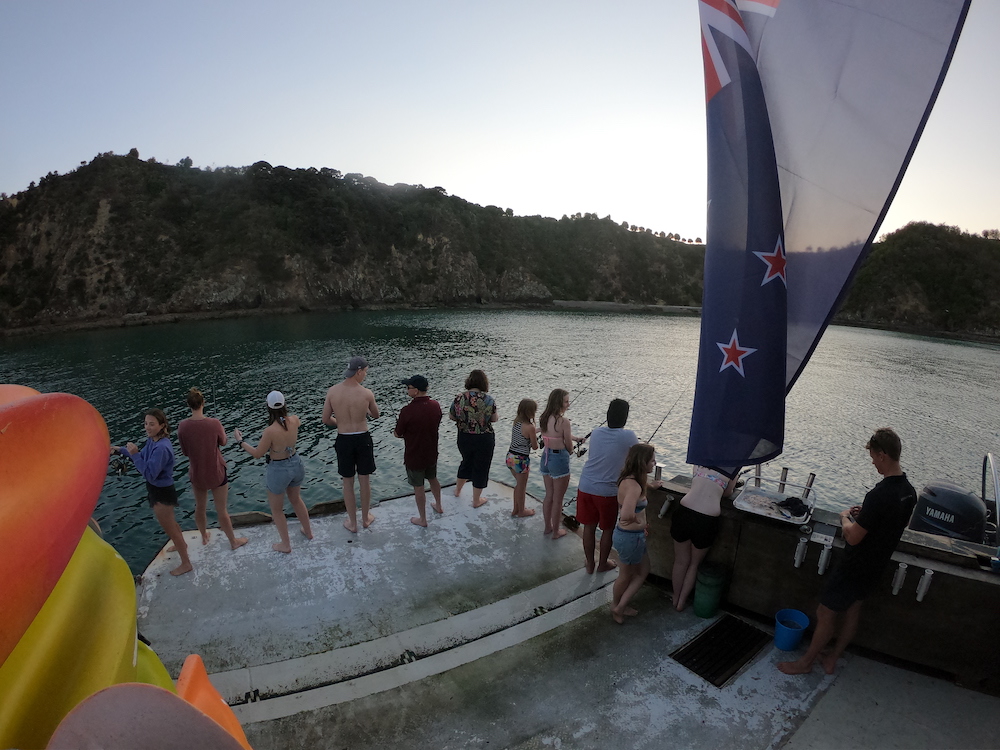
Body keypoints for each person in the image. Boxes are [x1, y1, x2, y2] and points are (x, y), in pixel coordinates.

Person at [779, 428, 916, 676]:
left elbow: (853, 537)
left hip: (856, 564)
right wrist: (866, 515)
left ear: (883, 454)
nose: (873, 462)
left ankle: (806, 662)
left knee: (825, 612)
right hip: (877, 565)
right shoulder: (909, 492)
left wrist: (845, 517)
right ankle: (832, 657)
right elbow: (893, 522)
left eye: (873, 456)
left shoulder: (879, 494)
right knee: (853, 610)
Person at [112, 409, 192, 576]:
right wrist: (120, 450)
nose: (147, 427)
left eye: (152, 424)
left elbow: (149, 473)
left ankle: (186, 563)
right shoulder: (153, 441)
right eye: (146, 423)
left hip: (162, 492)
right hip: (157, 490)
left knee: (169, 528)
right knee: (172, 523)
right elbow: (142, 456)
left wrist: (134, 455)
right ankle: (181, 546)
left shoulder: (162, 448)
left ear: (162, 425)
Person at [234, 391, 313, 553]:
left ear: (268, 408)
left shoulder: (270, 431)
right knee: (296, 499)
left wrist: (240, 441)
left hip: (279, 470)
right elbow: (288, 423)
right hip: (296, 464)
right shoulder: (295, 420)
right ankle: (309, 532)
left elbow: (257, 454)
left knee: (277, 510)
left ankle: (286, 545)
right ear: (284, 404)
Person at [176, 387, 248, 551]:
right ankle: (233, 542)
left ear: (188, 405)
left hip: (197, 474)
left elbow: (185, 452)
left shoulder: (182, 426)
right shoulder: (214, 423)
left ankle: (204, 536)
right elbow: (223, 442)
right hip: (217, 471)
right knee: (221, 509)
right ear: (203, 403)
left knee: (200, 507)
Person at [575, 398, 638, 572]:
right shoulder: (628, 436)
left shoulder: (595, 432)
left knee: (589, 527)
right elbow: (639, 457)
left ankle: (589, 564)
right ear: (625, 417)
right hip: (608, 492)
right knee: (607, 529)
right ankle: (602, 564)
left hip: (586, 486)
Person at [323, 356, 380, 532]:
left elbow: (326, 419)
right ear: (359, 371)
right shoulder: (366, 393)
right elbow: (376, 415)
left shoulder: (332, 392)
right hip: (362, 438)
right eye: (365, 372)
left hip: (344, 439)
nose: (365, 376)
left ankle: (352, 523)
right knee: (364, 480)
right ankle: (365, 518)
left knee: (347, 482)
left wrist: (340, 423)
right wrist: (366, 413)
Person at [669, 465, 737, 612]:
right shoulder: (733, 466)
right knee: (694, 564)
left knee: (680, 561)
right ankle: (681, 602)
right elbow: (727, 493)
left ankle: (675, 597)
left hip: (684, 512)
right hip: (707, 518)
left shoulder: (700, 461)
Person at [610, 443, 660, 623]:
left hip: (628, 537)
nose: (654, 463)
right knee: (626, 575)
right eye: (652, 460)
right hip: (631, 538)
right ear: (642, 462)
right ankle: (618, 607)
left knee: (643, 570)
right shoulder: (634, 487)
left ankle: (619, 605)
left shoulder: (628, 479)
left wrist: (652, 486)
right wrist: (640, 523)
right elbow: (626, 515)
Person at [394, 374, 443, 527]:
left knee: (418, 486)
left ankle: (422, 519)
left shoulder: (406, 411)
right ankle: (439, 506)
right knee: (433, 478)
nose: (407, 390)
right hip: (431, 453)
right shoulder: (436, 406)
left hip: (414, 455)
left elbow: (398, 433)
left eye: (408, 388)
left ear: (416, 390)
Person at [538, 388, 585, 539]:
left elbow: (554, 434)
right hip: (559, 459)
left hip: (545, 457)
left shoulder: (544, 417)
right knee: (558, 499)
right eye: (566, 401)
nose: (568, 404)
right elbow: (568, 444)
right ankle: (556, 532)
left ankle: (547, 528)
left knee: (549, 496)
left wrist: (576, 438)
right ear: (559, 403)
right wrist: (571, 450)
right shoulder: (564, 421)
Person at [449, 369, 498, 508]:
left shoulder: (459, 397)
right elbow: (494, 419)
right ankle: (476, 500)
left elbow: (452, 416)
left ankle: (458, 490)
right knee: (481, 467)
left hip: (464, 437)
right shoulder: (488, 399)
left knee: (466, 462)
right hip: (484, 438)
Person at [506, 399, 539, 518]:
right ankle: (521, 511)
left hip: (510, 457)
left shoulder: (516, 422)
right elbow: (535, 447)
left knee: (518, 484)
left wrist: (536, 431)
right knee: (522, 486)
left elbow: (523, 435)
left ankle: (515, 509)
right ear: (531, 412)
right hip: (521, 460)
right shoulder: (530, 427)